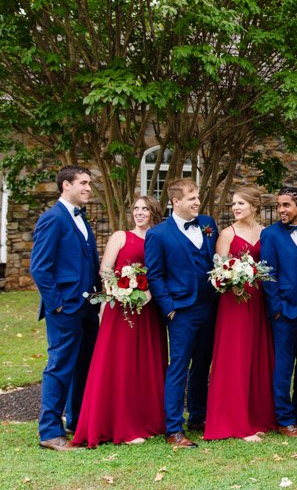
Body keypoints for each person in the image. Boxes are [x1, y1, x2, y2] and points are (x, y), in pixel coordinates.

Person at [72, 196, 167, 447]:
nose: (139, 212)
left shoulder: (160, 238)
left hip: (149, 310)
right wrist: (119, 292)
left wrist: (148, 294)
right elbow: (106, 269)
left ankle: (147, 419)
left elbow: (164, 272)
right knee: (121, 363)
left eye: (145, 208)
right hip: (121, 310)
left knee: (147, 363)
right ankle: (121, 424)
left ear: (154, 212)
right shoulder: (120, 236)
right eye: (136, 208)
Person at [145, 178, 219, 448]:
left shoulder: (208, 224)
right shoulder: (159, 234)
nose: (197, 202)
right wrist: (170, 310)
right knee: (178, 366)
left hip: (210, 306)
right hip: (182, 311)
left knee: (202, 364)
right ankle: (173, 428)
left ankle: (198, 416)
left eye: (197, 197)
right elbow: (155, 275)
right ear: (175, 202)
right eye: (191, 198)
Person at [31, 166, 101, 451]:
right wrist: (57, 305)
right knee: (60, 367)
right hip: (65, 308)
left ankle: (75, 422)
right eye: (83, 183)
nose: (88, 188)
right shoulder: (53, 219)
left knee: (83, 366)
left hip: (87, 307)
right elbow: (39, 268)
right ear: (66, 186)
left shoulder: (81, 218)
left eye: (89, 183)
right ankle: (49, 431)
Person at [204, 187, 276, 441]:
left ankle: (258, 415)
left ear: (254, 205)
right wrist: (232, 279)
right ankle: (235, 421)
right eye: (234, 204)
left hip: (258, 299)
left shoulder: (266, 233)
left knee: (257, 354)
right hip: (234, 302)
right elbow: (217, 271)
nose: (235, 208)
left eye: (241, 204)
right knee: (235, 356)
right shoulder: (227, 234)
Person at [259, 186, 297, 437]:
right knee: (284, 366)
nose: (281, 210)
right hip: (285, 311)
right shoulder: (270, 235)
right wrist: (276, 310)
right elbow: (267, 273)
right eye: (279, 205)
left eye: (286, 205)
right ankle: (284, 419)